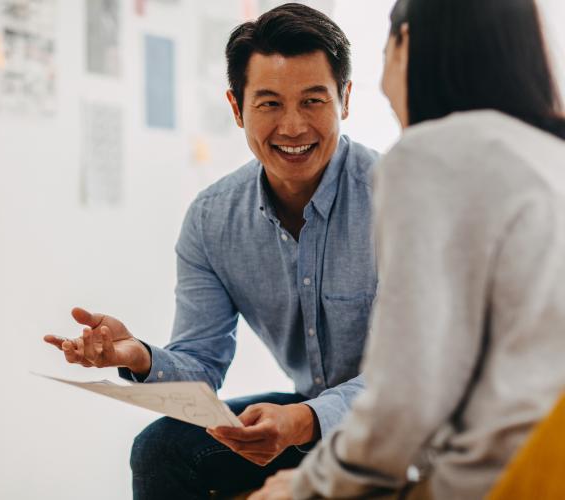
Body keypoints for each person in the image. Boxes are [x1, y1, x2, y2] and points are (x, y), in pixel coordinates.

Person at [45, 3, 379, 498]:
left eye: (313, 101)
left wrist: (307, 418)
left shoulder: (403, 199)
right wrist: (138, 357)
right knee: (160, 448)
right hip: (311, 422)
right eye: (269, 103)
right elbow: (200, 365)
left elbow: (423, 379)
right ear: (236, 107)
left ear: (345, 99)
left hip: (408, 426)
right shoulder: (212, 218)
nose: (292, 127)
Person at [251, 0, 565, 498]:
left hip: (501, 480)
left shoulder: (429, 156)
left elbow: (405, 402)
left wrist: (306, 486)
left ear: (407, 45)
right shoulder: (551, 154)